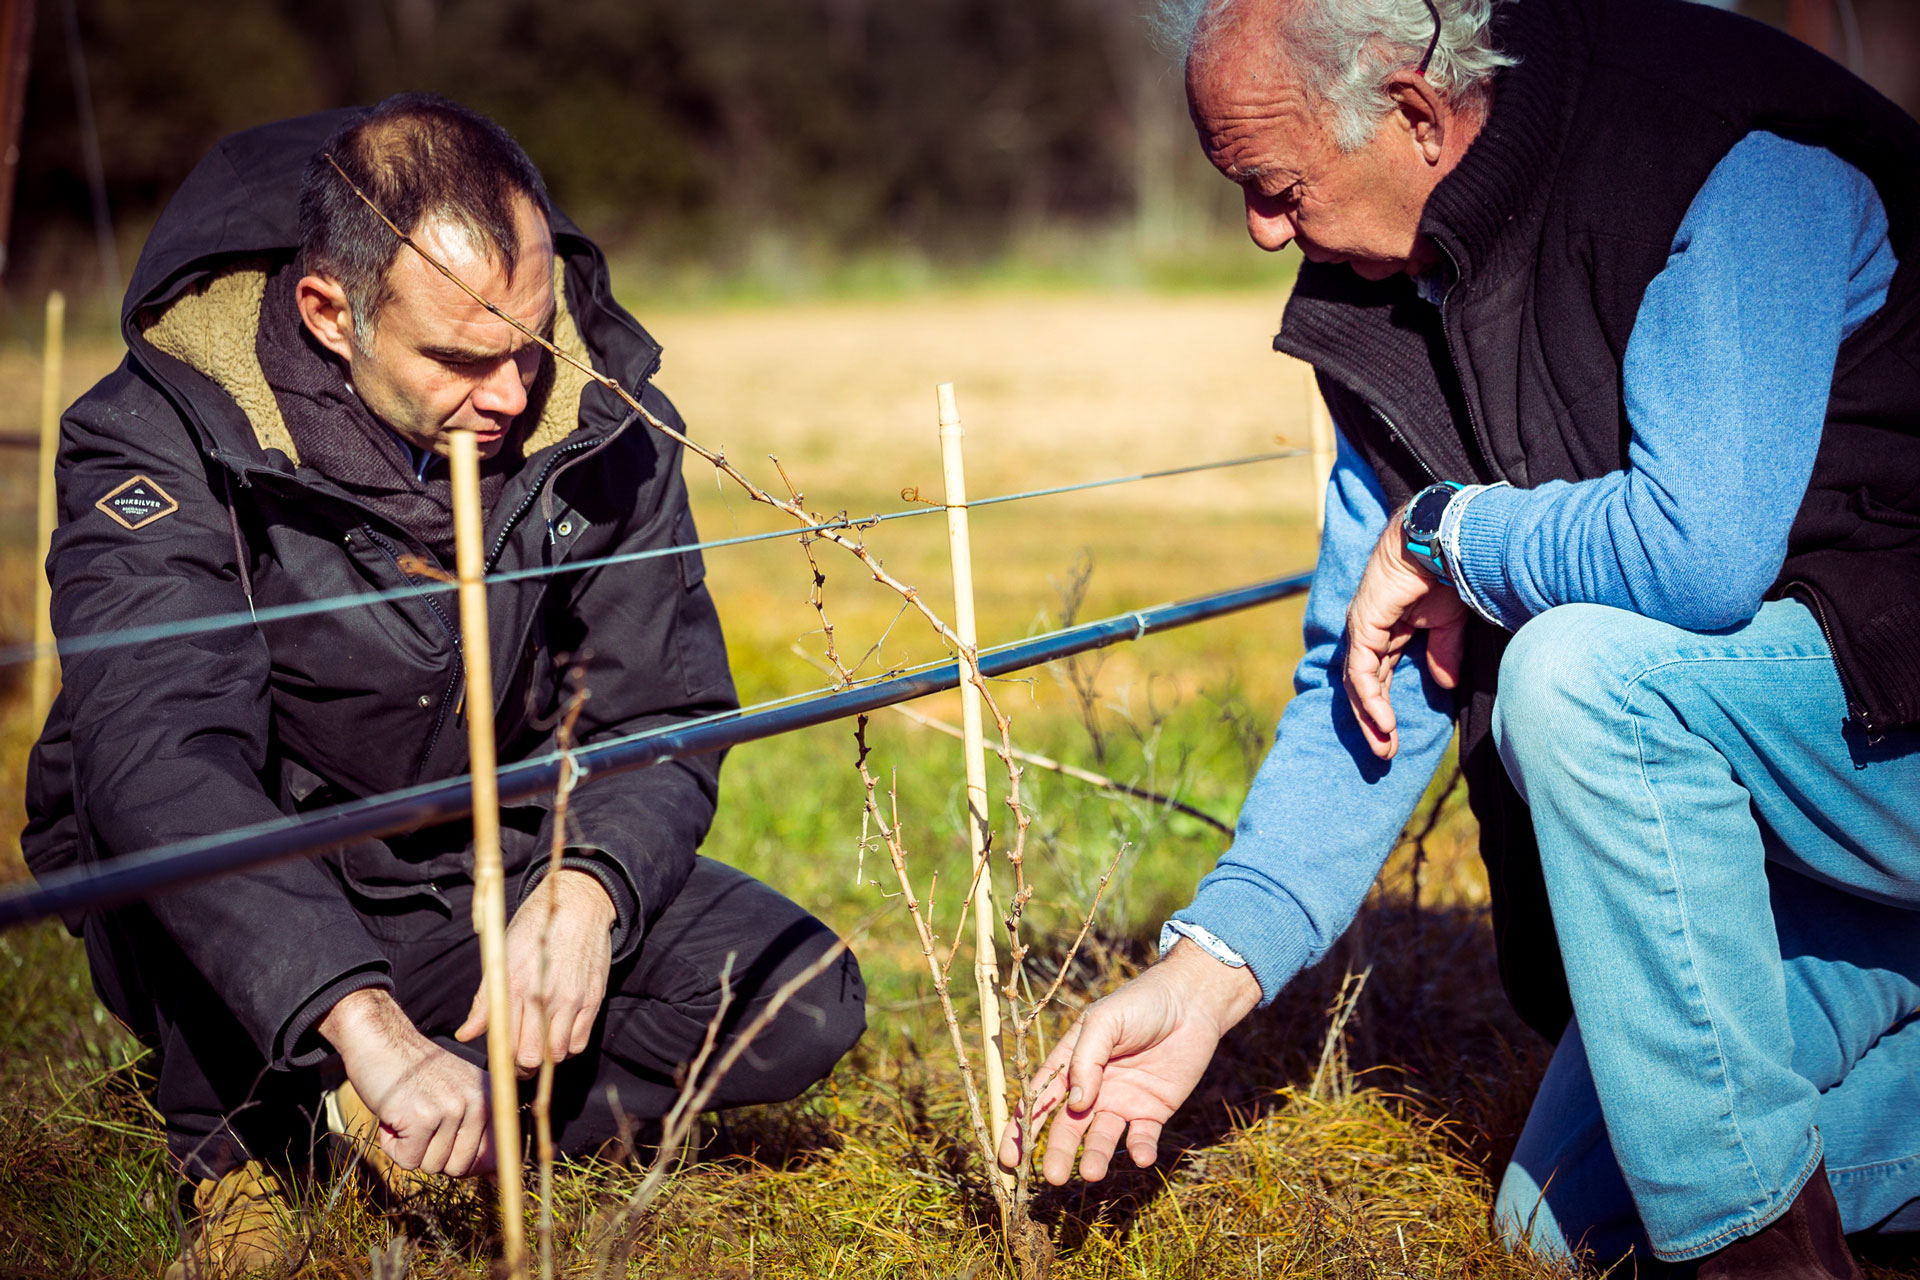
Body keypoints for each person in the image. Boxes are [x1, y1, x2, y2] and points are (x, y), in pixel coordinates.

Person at [1003, 1, 1920, 1275]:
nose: (1261, 229)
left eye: (1276, 186)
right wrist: (1210, 969)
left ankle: (1764, 1260)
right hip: (1798, 845)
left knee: (1577, 678)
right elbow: (1364, 668)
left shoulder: (1722, 148)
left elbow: (1698, 556)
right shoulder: (1375, 296)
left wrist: (1449, 535)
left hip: (1894, 731)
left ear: (1417, 113)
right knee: (1571, 1220)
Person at [21, 94, 866, 1275]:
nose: (515, 392)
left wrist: (587, 886)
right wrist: (357, 1016)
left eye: (528, 342)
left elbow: (658, 705)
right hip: (254, 869)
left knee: (800, 1000)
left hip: (483, 859)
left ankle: (398, 1118)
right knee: (180, 858)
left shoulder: (600, 418)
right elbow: (161, 760)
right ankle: (239, 1142)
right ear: (331, 312)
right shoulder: (158, 436)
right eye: (462, 358)